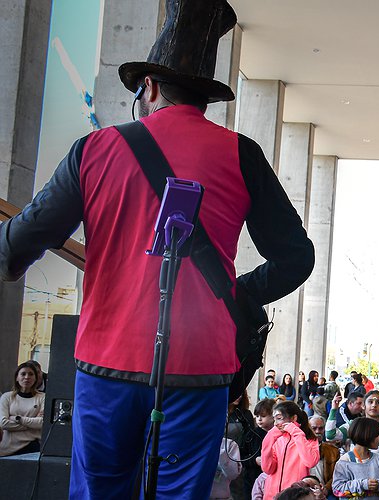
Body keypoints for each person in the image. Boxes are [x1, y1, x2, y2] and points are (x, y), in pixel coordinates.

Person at [0, 0, 314, 494]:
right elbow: (298, 256)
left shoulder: (94, 149)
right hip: (200, 367)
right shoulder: (242, 154)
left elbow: (22, 239)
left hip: (108, 362)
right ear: (204, 97)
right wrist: (234, 292)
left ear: (148, 87)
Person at [262, 401, 321, 499]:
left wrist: (296, 432)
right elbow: (268, 469)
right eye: (274, 419)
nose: (276, 424)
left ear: (294, 418)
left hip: (295, 495)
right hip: (271, 495)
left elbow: (310, 462)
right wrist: (268, 440)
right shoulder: (277, 439)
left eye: (279, 419)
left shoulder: (309, 439)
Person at [332, 417, 379, 498]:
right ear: (366, 435)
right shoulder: (345, 462)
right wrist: (363, 484)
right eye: (377, 434)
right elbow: (337, 490)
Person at [0, 361, 44, 456]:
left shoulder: (43, 397)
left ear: (36, 378)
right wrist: (32, 425)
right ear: (17, 377)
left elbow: (42, 423)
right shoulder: (6, 397)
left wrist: (16, 418)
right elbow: (3, 423)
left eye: (31, 374)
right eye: (23, 374)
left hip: (33, 448)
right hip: (7, 450)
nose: (27, 377)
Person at [307, 416, 340, 499]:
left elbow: (337, 475)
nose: (317, 431)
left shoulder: (333, 451)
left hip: (326, 491)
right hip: (303, 490)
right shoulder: (299, 449)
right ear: (307, 429)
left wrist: (326, 489)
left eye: (321, 428)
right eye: (314, 428)